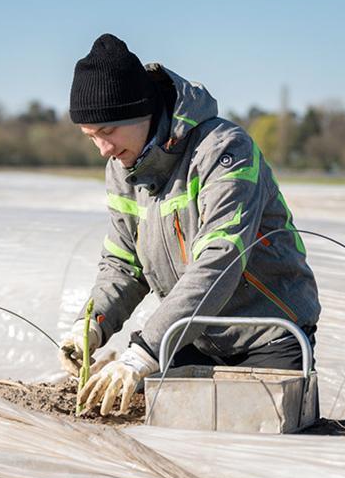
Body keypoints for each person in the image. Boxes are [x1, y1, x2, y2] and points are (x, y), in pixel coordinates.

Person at [59, 33, 321, 416]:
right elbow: (123, 263)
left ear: (142, 112)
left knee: (259, 435)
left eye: (109, 131)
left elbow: (220, 260)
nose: (104, 149)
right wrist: (91, 325)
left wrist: (144, 352)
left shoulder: (224, 150)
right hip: (193, 336)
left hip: (267, 333)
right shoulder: (121, 169)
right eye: (91, 137)